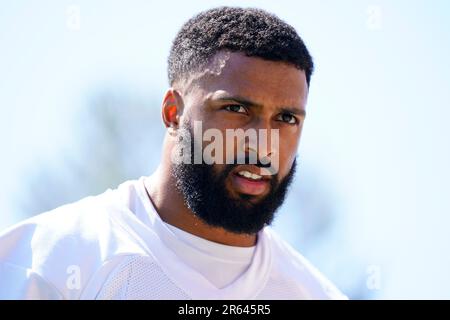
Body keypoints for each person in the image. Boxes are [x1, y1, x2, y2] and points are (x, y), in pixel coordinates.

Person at [0, 6, 346, 299]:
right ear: (172, 113)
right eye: (237, 109)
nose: (263, 144)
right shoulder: (45, 262)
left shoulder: (314, 293)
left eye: (286, 118)